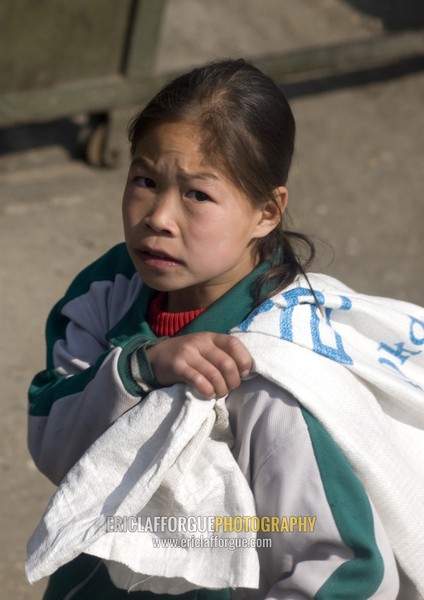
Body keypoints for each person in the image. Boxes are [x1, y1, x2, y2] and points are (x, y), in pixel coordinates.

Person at [28, 59, 422, 599]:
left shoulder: (278, 377)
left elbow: (345, 570)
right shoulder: (109, 289)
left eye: (197, 195)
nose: (159, 216)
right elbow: (54, 443)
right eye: (145, 180)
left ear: (266, 212)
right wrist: (138, 369)